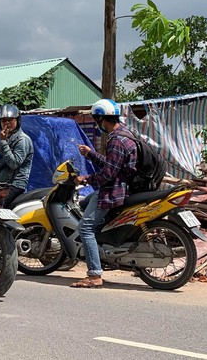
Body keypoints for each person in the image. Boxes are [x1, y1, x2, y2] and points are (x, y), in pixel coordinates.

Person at [71, 98, 138, 288]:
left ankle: (94, 274)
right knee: (83, 204)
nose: (97, 124)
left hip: (113, 191)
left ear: (102, 119)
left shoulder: (117, 140)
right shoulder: (126, 134)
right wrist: (91, 154)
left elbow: (108, 175)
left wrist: (86, 179)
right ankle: (99, 248)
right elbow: (112, 165)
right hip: (119, 188)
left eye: (97, 120)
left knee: (85, 228)